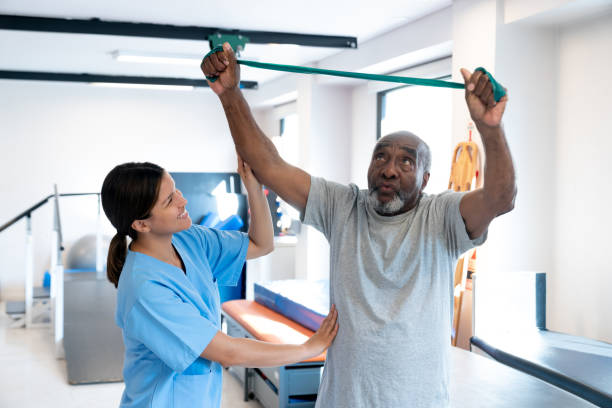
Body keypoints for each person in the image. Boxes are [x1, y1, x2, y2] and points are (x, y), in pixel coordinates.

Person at [201, 43, 516, 408]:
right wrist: (229, 94)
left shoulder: (441, 218)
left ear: (426, 177)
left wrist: (490, 130)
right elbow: (268, 164)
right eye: (380, 156)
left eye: (406, 162)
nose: (389, 168)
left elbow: (500, 199)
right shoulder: (342, 205)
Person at [101, 156, 338, 408]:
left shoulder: (189, 239)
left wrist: (253, 188)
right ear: (141, 224)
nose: (183, 200)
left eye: (176, 189)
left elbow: (261, 244)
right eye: (170, 200)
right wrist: (306, 349)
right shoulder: (144, 289)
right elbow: (229, 351)